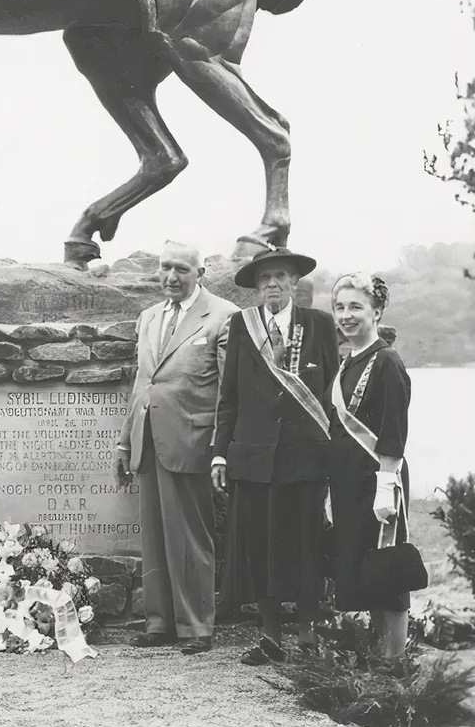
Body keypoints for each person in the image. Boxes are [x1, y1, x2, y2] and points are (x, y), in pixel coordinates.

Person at [211, 247, 339, 665]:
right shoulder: (241, 326)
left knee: (305, 545)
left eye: (280, 277)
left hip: (306, 458)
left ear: (294, 283)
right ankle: (270, 637)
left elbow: (332, 396)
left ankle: (306, 635)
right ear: (256, 286)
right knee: (260, 547)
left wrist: (334, 453)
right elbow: (228, 396)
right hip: (253, 457)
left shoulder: (319, 325)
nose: (272, 284)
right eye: (264, 278)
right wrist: (219, 455)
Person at [115, 242, 238, 655]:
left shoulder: (223, 316)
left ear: (200, 272)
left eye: (181, 269)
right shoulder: (148, 317)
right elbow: (142, 384)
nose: (171, 276)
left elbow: (229, 390)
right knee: (153, 534)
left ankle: (196, 626)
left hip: (192, 440)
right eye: (165, 267)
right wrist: (123, 441)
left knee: (190, 536)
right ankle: (160, 623)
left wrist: (221, 447)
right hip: (148, 439)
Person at [328, 273, 413, 660]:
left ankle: (393, 666)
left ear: (377, 311)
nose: (346, 316)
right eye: (340, 307)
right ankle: (379, 656)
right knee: (366, 567)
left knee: (388, 570)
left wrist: (384, 484)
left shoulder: (387, 360)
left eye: (356, 307)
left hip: (380, 478)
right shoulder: (347, 362)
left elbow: (394, 427)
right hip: (349, 481)